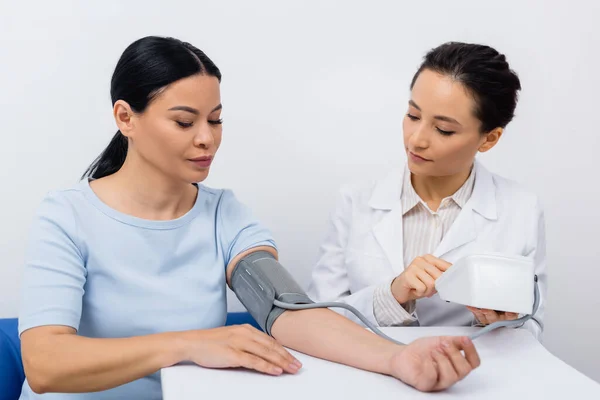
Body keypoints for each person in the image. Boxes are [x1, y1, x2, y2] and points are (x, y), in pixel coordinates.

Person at [17, 36, 480, 399]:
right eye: (184, 122)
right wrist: (188, 343)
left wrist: (398, 359)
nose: (207, 139)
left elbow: (289, 312)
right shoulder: (67, 216)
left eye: (215, 120)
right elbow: (45, 363)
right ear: (125, 117)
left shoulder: (223, 214)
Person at [307, 42, 546, 341]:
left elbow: (531, 329)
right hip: (367, 376)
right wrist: (392, 296)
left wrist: (493, 323)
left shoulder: (521, 210)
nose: (416, 140)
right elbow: (317, 318)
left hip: (469, 380)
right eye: (413, 115)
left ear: (489, 139)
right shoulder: (355, 200)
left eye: (444, 130)